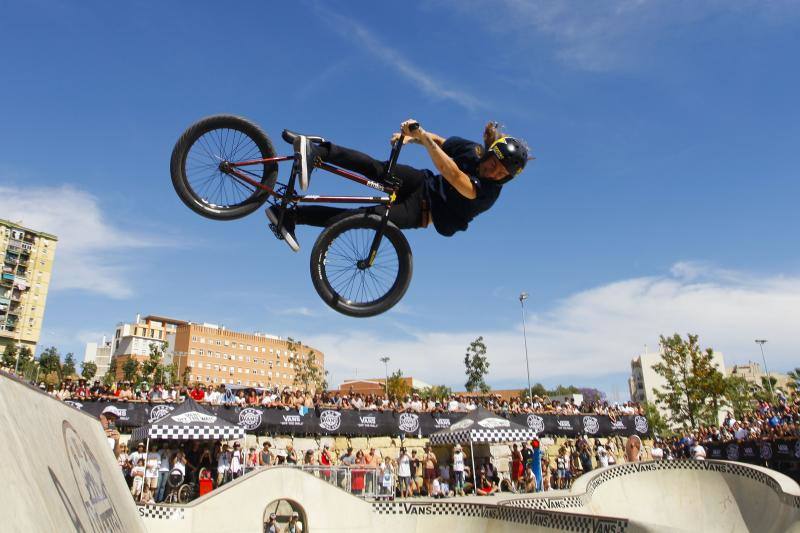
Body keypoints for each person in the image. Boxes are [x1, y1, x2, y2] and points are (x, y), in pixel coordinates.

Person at [268, 120, 531, 251]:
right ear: (490, 152)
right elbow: (442, 143)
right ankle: (317, 151)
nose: (495, 173)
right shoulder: (471, 150)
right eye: (496, 163)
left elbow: (452, 175)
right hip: (422, 182)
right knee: (378, 169)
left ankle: (290, 215)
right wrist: (412, 138)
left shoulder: (489, 193)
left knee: (361, 218)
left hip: (419, 211)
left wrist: (423, 137)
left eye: (503, 173)